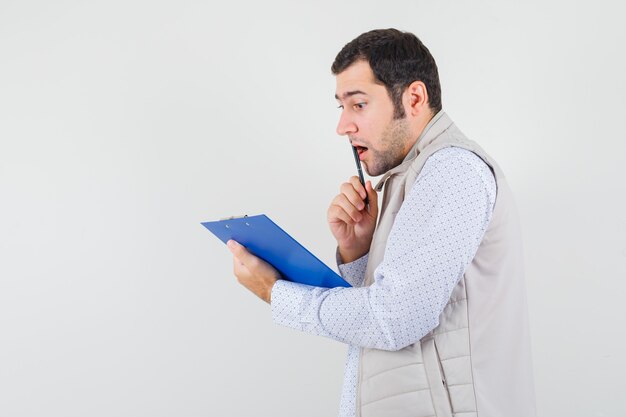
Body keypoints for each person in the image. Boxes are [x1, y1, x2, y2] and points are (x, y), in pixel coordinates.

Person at [226, 28, 536, 417]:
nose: (343, 126)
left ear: (415, 98)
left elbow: (394, 319)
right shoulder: (411, 179)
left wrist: (277, 293)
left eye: (358, 105)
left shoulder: (451, 170)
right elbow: (392, 314)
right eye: (341, 107)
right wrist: (360, 253)